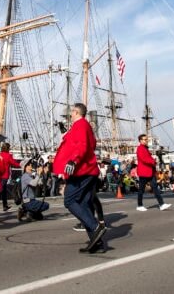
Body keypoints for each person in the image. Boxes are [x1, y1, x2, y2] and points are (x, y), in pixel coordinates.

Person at [53, 103, 106, 254]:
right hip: (88, 170)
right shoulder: (83, 126)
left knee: (69, 200)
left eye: (71, 113)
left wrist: (73, 160)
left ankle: (96, 227)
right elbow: (90, 144)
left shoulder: (81, 125)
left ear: (76, 112)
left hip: (81, 171)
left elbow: (81, 146)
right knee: (83, 204)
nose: (70, 115)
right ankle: (98, 243)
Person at [136, 133, 171, 212]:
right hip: (144, 172)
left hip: (150, 171)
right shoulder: (140, 148)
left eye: (147, 139)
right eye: (145, 139)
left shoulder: (145, 148)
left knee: (155, 187)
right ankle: (139, 205)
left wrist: (153, 162)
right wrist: (153, 161)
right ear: (140, 140)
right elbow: (143, 159)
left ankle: (161, 204)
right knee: (141, 189)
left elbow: (147, 158)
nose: (146, 141)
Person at [0, 142, 20, 211]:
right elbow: (13, 163)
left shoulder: (0, 154)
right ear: (7, 148)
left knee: (4, 190)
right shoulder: (8, 156)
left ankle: (5, 205)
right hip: (5, 175)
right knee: (1, 189)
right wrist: (20, 165)